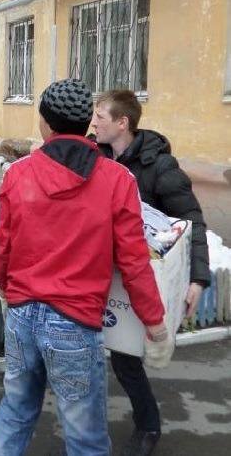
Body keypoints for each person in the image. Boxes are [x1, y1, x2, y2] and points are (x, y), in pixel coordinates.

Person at [0, 79, 166, 456]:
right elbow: (134, 260)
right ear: (86, 121)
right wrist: (155, 323)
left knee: (16, 411)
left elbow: (3, 243)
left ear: (45, 124)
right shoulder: (116, 180)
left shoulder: (19, 174)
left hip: (22, 315)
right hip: (74, 323)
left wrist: (4, 286)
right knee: (85, 438)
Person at [91, 89, 211, 456]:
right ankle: (88, 429)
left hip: (139, 277)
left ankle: (148, 426)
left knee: (127, 359)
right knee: (90, 351)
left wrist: (197, 278)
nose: (92, 123)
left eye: (100, 117)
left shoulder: (159, 167)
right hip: (100, 271)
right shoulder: (95, 157)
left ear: (122, 123)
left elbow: (190, 221)